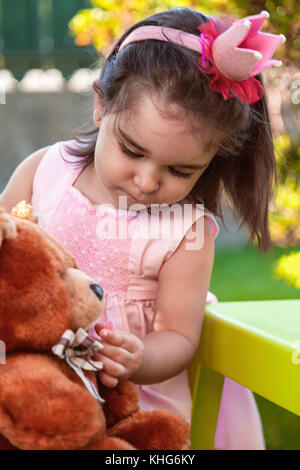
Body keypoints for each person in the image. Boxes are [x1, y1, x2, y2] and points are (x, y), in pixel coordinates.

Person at [0, 7, 285, 450]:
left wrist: (140, 355)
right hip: (29, 375)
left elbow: (180, 334)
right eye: (132, 151)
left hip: (127, 403)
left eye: (180, 170)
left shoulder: (186, 232)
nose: (148, 181)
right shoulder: (44, 170)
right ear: (101, 105)